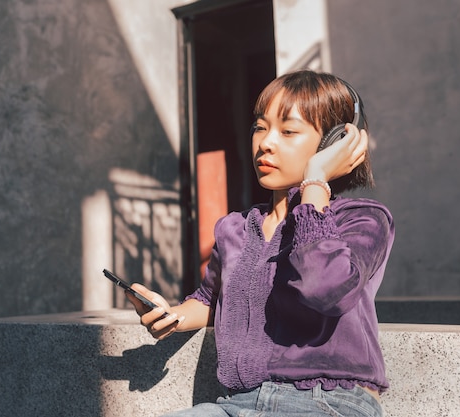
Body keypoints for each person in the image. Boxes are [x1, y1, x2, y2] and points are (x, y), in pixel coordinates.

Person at [127, 69, 395, 417]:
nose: (265, 142)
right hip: (237, 404)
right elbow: (211, 299)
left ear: (335, 143)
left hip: (329, 404)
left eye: (288, 131)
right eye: (259, 126)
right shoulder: (235, 228)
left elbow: (325, 288)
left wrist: (316, 180)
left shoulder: (363, 219)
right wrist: (172, 315)